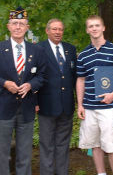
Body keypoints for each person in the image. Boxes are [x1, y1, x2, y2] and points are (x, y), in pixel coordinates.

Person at [0, 7, 46, 175]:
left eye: (21, 24)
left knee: (25, 154)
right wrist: (3, 83)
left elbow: (42, 76)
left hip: (26, 109)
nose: (18, 27)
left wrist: (31, 85)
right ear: (8, 26)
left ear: (27, 27)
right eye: (14, 23)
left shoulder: (36, 50)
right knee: (1, 154)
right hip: (3, 109)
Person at [76, 15, 113, 175]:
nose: (94, 28)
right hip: (89, 107)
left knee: (112, 145)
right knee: (95, 144)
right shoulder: (83, 54)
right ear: (87, 30)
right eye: (91, 26)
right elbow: (80, 80)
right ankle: (101, 173)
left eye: (97, 25)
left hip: (109, 107)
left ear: (103, 28)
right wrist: (80, 104)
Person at [36, 19, 77, 175]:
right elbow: (33, 77)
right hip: (46, 105)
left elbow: (74, 77)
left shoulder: (70, 49)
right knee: (46, 144)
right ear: (47, 31)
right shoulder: (38, 49)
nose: (58, 32)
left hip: (66, 106)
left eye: (60, 29)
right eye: (54, 29)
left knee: (63, 144)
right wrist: (34, 101)